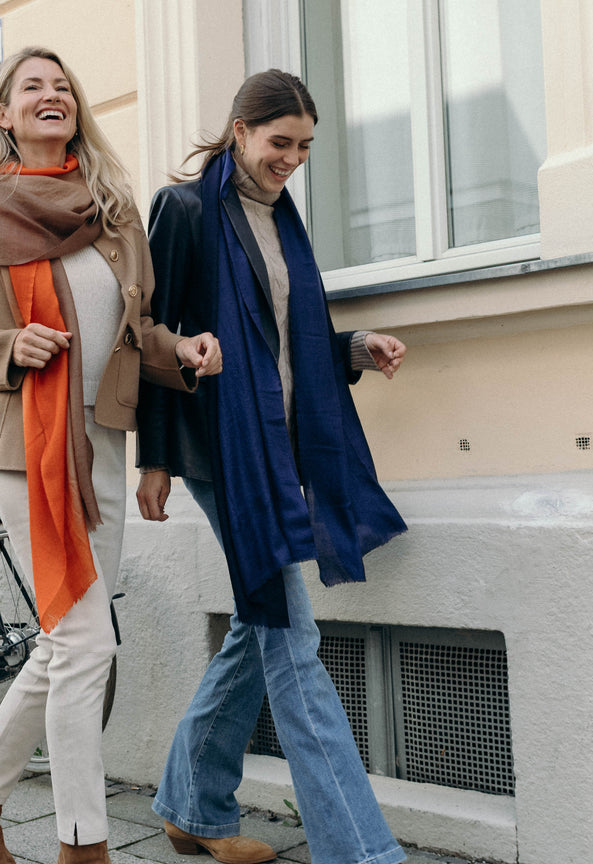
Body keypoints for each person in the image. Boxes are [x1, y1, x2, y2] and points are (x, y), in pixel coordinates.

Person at [0, 45, 222, 864]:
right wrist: (10, 345)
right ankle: (84, 844)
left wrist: (180, 350)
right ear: (4, 116)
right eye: (31, 89)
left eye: (62, 87)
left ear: (75, 110)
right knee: (87, 643)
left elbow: (135, 331)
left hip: (102, 442)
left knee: (65, 641)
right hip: (22, 445)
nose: (51, 96)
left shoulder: (113, 214)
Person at [136, 69, 409, 864]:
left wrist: (356, 348)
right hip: (219, 453)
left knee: (262, 628)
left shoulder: (282, 222)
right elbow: (149, 337)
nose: (290, 158)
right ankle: (361, 852)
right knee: (293, 637)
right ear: (240, 130)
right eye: (278, 142)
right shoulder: (185, 210)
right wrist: (155, 458)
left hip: (276, 445)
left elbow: (286, 342)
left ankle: (192, 805)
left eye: (304, 147)